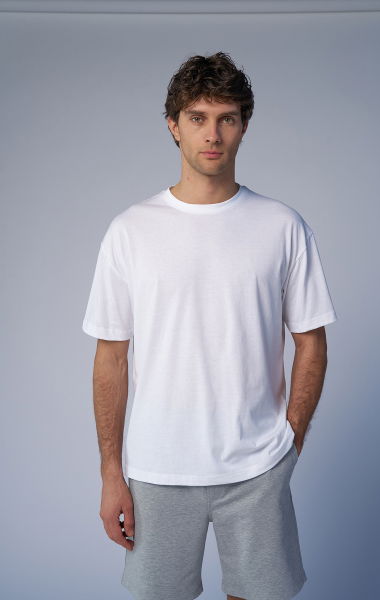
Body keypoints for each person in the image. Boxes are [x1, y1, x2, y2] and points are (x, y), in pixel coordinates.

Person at [82, 51, 338, 600]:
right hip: (157, 470)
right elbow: (111, 357)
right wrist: (110, 472)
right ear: (173, 126)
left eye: (227, 118)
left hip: (258, 467)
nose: (212, 134)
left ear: (244, 126)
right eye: (197, 118)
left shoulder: (283, 226)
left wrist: (290, 441)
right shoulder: (130, 231)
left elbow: (312, 342)